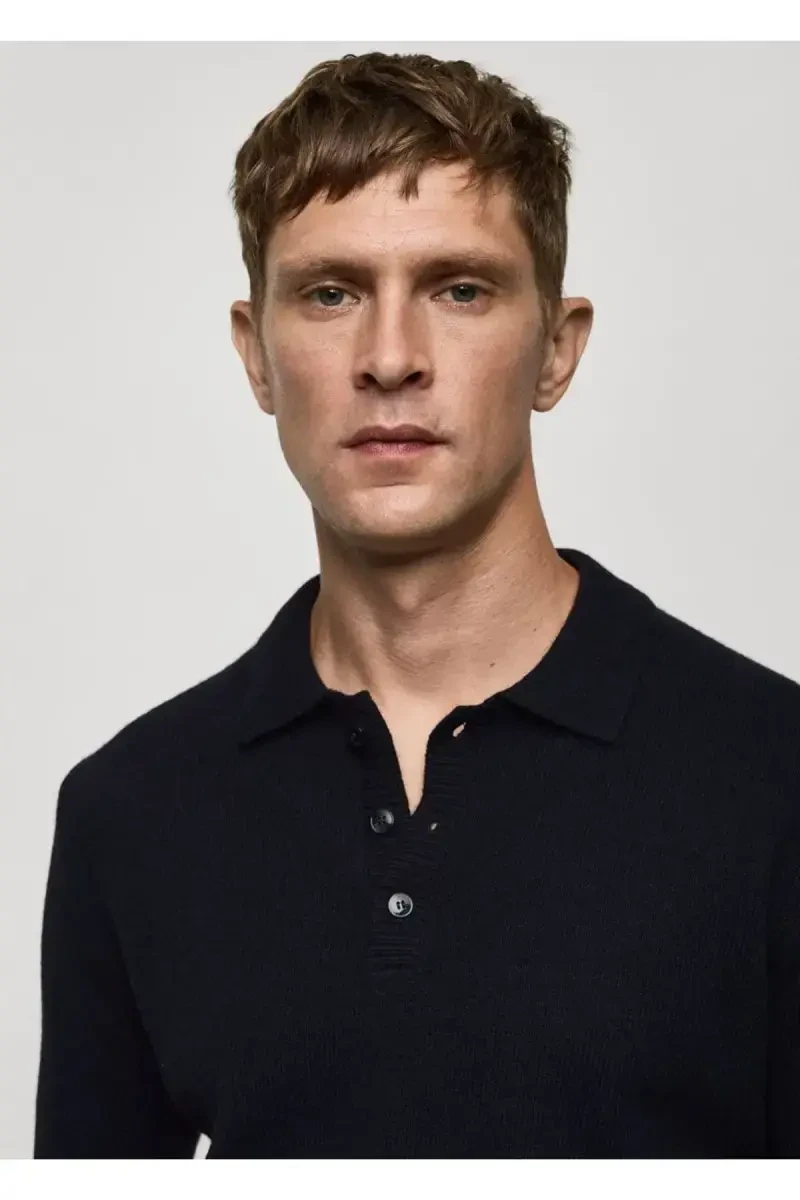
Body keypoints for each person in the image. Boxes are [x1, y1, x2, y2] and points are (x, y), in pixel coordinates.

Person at [34, 50, 800, 1159]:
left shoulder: (773, 775)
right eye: (330, 293)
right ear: (257, 357)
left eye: (459, 289)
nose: (390, 358)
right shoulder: (129, 812)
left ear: (557, 350)